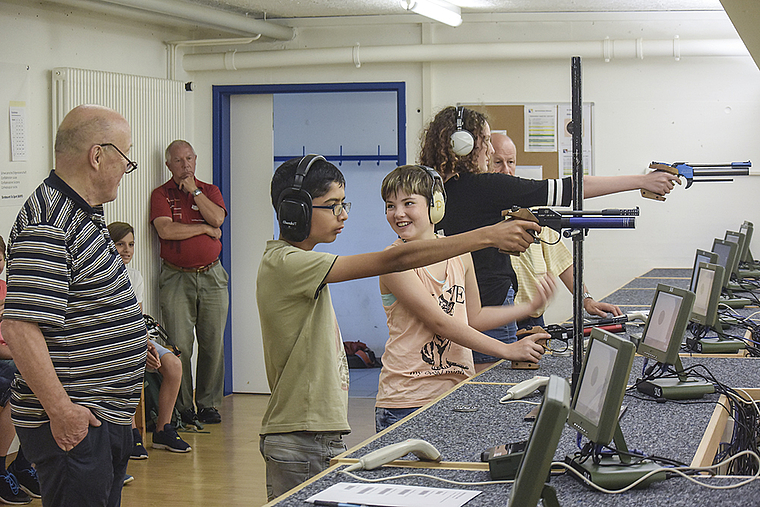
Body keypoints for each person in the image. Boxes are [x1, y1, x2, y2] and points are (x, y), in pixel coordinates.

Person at [257, 155, 540, 501]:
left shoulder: (298, 263)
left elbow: (468, 314)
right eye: (333, 206)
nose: (343, 214)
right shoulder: (286, 263)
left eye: (344, 204)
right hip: (300, 435)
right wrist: (487, 236)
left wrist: (525, 308)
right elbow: (398, 260)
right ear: (296, 211)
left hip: (317, 431)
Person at [423, 106, 678, 365]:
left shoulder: (435, 191)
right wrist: (642, 181)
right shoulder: (484, 187)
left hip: (454, 310)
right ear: (463, 145)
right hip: (491, 308)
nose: (489, 151)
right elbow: (574, 188)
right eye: (486, 141)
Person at [2, 104, 147, 506]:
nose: (126, 169)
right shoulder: (50, 221)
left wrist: (134, 340)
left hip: (103, 415)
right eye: (126, 158)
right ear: (98, 156)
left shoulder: (86, 213)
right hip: (76, 421)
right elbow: (19, 327)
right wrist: (62, 410)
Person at [374, 165, 555, 432]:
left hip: (455, 393)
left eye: (408, 203)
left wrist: (527, 308)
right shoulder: (392, 262)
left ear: (436, 206)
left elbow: (474, 318)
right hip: (407, 400)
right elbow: (441, 324)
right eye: (390, 205)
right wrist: (507, 350)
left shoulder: (460, 255)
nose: (398, 213)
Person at [489, 132, 622, 328]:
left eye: (511, 162)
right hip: (493, 320)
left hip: (532, 319)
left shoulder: (531, 209)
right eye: (497, 162)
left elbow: (562, 261)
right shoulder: (477, 212)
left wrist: (586, 299)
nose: (506, 170)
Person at [150, 140, 228, 426]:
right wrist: (205, 229)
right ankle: (184, 407)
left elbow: (218, 217)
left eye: (189, 159)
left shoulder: (209, 191)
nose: (185, 166)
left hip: (212, 275)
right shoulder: (161, 194)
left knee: (213, 342)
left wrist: (194, 191)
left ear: (196, 160)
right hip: (176, 277)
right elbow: (166, 230)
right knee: (180, 344)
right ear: (168, 165)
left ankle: (208, 404)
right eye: (178, 161)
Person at [108, 222, 191, 455]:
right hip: (115, 342)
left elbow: (138, 318)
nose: (127, 250)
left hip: (137, 338)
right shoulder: (100, 276)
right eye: (120, 244)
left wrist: (147, 345)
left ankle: (163, 429)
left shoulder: (135, 276)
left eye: (131, 244)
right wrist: (141, 350)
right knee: (132, 363)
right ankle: (131, 432)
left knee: (174, 365)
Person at [0, 237, 40, 504]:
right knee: (22, 381)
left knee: (47, 382)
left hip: (13, 356)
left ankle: (24, 464)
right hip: (6, 359)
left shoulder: (8, 287)